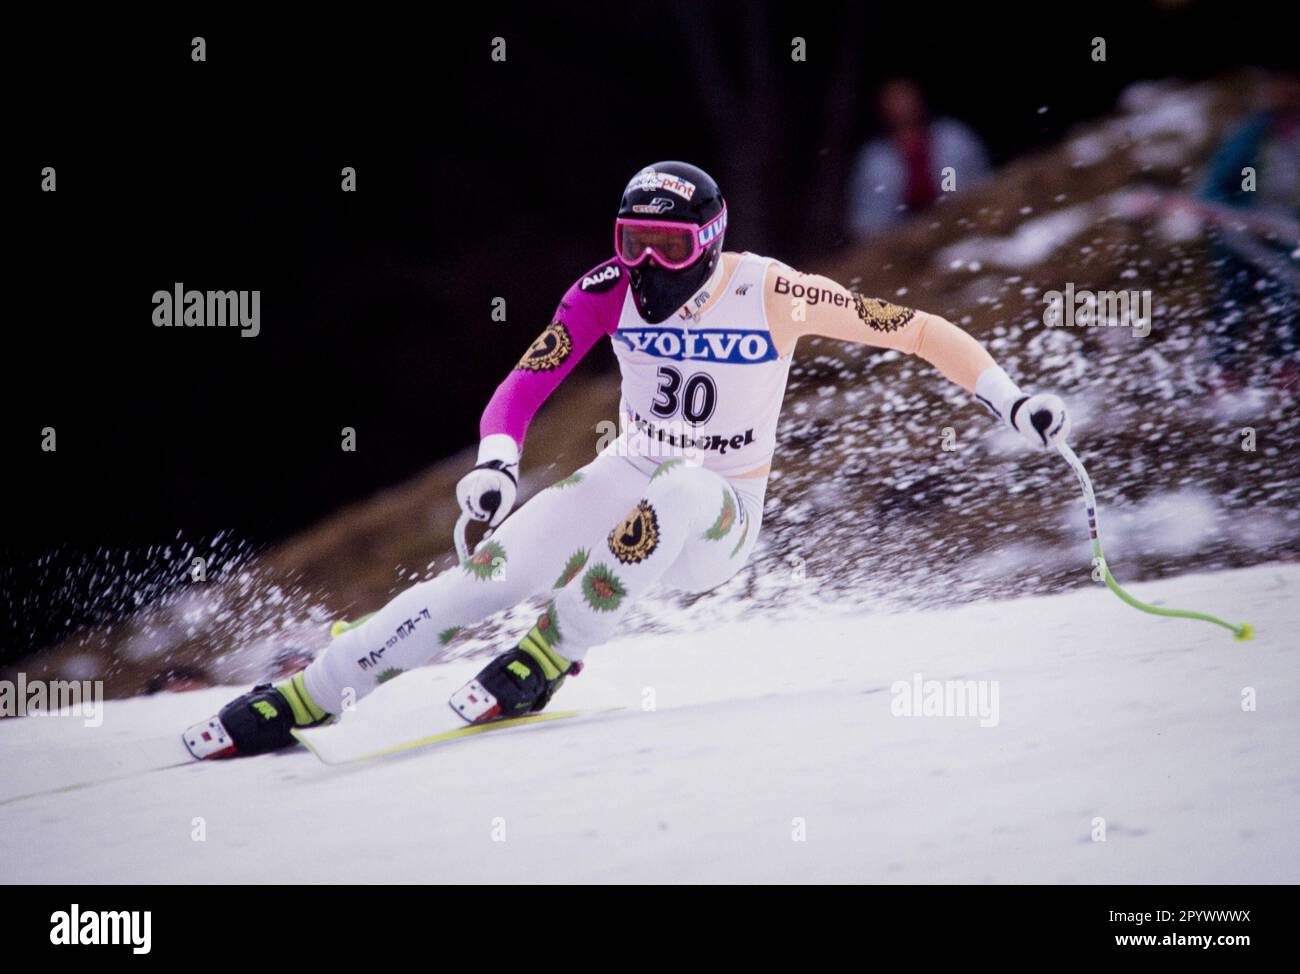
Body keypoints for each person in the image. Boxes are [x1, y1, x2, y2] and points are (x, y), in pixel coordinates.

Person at [184, 161, 1069, 758]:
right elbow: (524, 384)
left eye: (669, 248)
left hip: (719, 518)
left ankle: (553, 649)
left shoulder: (775, 291)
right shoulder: (607, 292)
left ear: (711, 243)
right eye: (630, 241)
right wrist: (497, 462)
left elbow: (914, 330)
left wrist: (1010, 396)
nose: (645, 264)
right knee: (484, 575)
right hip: (628, 481)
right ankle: (312, 695)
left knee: (682, 483)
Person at [849, 79, 990, 239]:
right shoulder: (876, 159)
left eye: (905, 97)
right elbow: (869, 215)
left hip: (957, 224)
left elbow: (973, 182)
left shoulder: (950, 139)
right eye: (893, 100)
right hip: (904, 238)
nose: (901, 106)